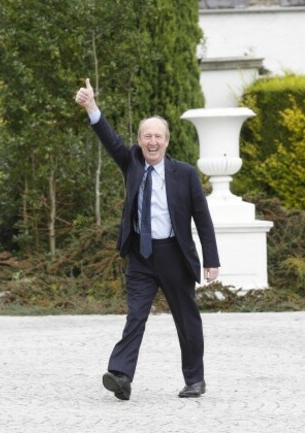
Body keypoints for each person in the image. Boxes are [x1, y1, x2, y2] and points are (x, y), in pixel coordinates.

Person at [74, 78, 220, 400]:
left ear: (167, 141)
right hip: (141, 254)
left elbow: (203, 220)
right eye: (146, 136)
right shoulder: (132, 163)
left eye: (158, 136)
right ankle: (121, 376)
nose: (152, 141)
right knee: (135, 315)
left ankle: (195, 379)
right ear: (139, 141)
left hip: (174, 255)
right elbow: (109, 139)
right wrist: (91, 106)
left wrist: (211, 260)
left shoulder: (185, 174)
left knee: (186, 319)